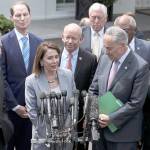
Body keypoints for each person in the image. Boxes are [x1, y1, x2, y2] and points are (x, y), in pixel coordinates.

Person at [89, 26, 149, 150]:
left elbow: (136, 103)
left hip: (124, 135)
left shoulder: (140, 67)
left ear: (122, 46)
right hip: (99, 132)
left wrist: (111, 118)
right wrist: (95, 115)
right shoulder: (105, 59)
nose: (106, 51)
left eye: (109, 48)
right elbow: (93, 90)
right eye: (105, 47)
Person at [1, 1, 43, 150]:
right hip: (10, 111)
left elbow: (41, 75)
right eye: (18, 15)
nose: (22, 18)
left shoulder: (39, 43)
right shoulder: (3, 43)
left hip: (32, 110)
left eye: (25, 14)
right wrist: (15, 106)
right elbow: (2, 78)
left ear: (30, 16)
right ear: (12, 17)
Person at [25, 41, 76, 150]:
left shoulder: (68, 74)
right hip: (43, 136)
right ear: (41, 61)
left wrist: (68, 127)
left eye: (56, 57)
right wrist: (49, 133)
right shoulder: (31, 81)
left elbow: (74, 103)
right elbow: (32, 111)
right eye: (50, 58)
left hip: (66, 134)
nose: (54, 61)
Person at [114, 15, 150, 149]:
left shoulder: (147, 48)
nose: (122, 33)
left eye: (125, 29)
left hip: (143, 107)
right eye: (119, 29)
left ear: (134, 30)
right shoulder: (109, 49)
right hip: (118, 108)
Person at [60, 23, 97, 149]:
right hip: (56, 112)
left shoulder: (90, 59)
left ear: (81, 39)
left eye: (74, 38)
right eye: (67, 37)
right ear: (62, 37)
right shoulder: (54, 55)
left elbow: (92, 89)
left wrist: (89, 115)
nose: (70, 41)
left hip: (80, 116)